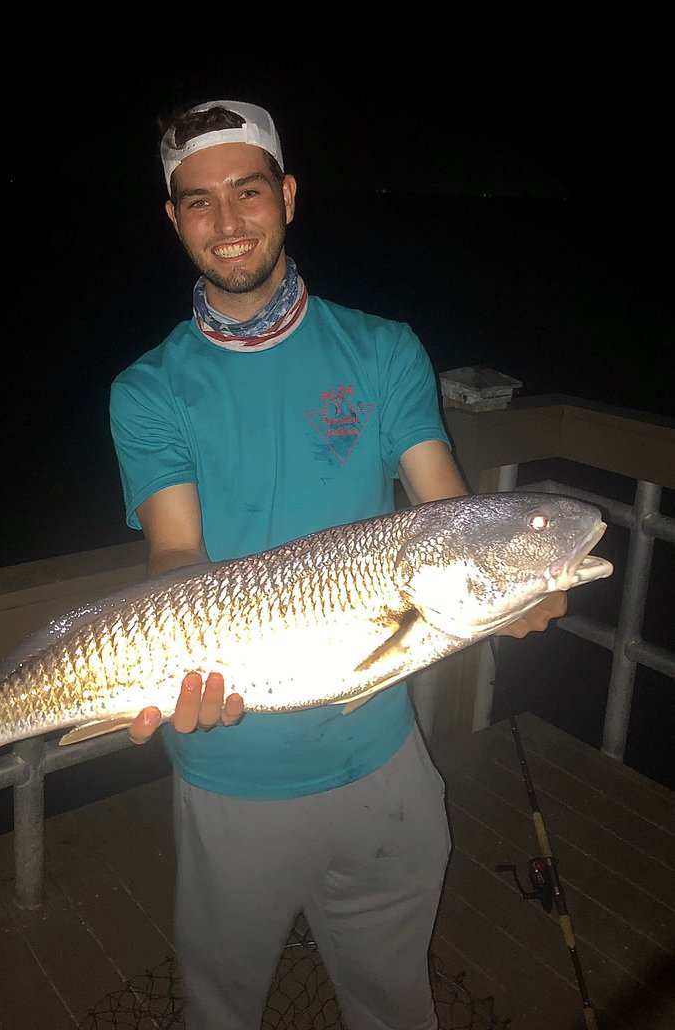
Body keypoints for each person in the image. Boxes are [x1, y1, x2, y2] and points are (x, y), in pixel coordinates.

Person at [108, 99, 565, 1030]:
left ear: (287, 195)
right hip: (228, 767)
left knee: (394, 1003)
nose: (228, 223)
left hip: (384, 764)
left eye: (247, 192)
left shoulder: (383, 348)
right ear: (173, 219)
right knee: (221, 1009)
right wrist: (150, 664)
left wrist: (514, 580)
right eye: (200, 202)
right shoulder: (147, 390)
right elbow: (176, 551)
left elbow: (448, 513)